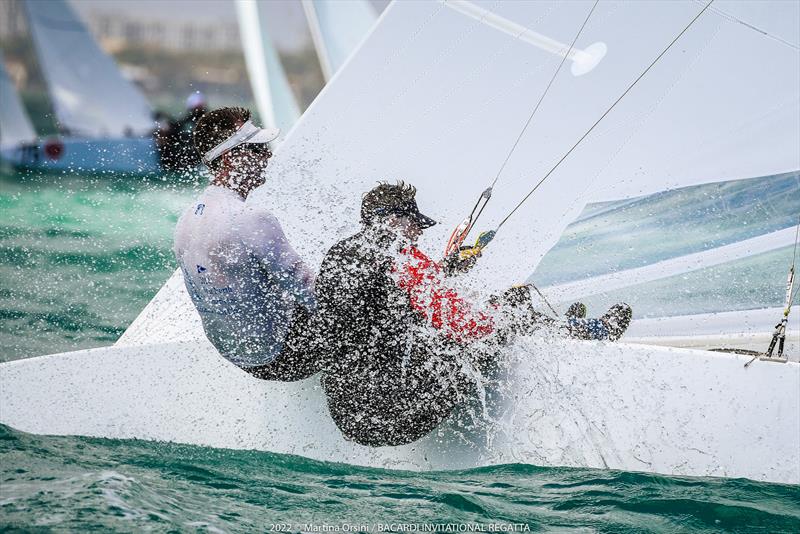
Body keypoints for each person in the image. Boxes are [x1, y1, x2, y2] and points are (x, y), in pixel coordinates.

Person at [314, 181, 632, 447]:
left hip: (346, 414)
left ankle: (553, 320)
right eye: (414, 224)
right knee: (505, 312)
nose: (418, 233)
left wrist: (446, 270)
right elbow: (470, 327)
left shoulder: (339, 254)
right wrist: (504, 309)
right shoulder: (400, 256)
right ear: (393, 220)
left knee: (486, 309)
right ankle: (592, 329)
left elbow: (381, 307)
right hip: (397, 417)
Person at [173, 106, 320, 381]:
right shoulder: (250, 219)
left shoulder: (185, 222)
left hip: (235, 356)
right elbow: (311, 292)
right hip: (284, 357)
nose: (267, 155)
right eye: (257, 149)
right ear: (230, 158)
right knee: (354, 276)